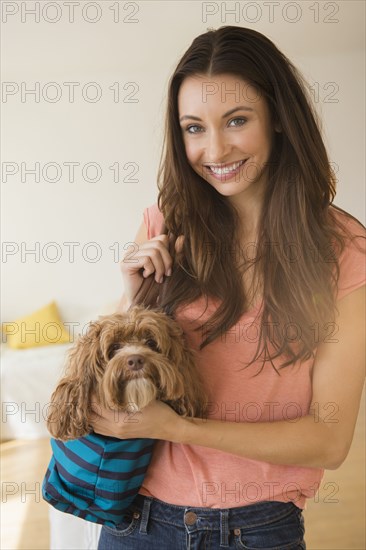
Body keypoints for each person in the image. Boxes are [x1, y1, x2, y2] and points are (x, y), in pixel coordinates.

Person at [92, 26, 366, 549]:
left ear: (280, 118)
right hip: (137, 521)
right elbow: (114, 376)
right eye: (194, 127)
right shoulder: (164, 224)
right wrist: (133, 299)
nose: (214, 149)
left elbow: (329, 440)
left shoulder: (344, 251)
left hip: (256, 528)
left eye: (236, 120)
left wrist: (179, 429)